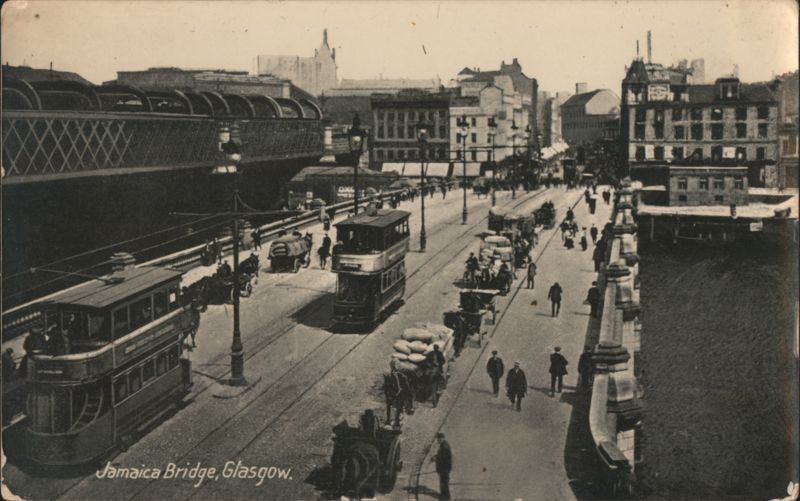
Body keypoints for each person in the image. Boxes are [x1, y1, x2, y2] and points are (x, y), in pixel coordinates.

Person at [431, 432, 452, 499]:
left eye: (439, 439)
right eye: (438, 439)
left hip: (444, 468)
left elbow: (443, 459)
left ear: (443, 438)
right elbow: (441, 455)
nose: (438, 440)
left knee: (444, 483)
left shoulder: (445, 447)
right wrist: (435, 457)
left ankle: (446, 497)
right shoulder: (443, 445)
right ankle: (443, 495)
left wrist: (436, 458)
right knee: (443, 483)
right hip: (443, 468)